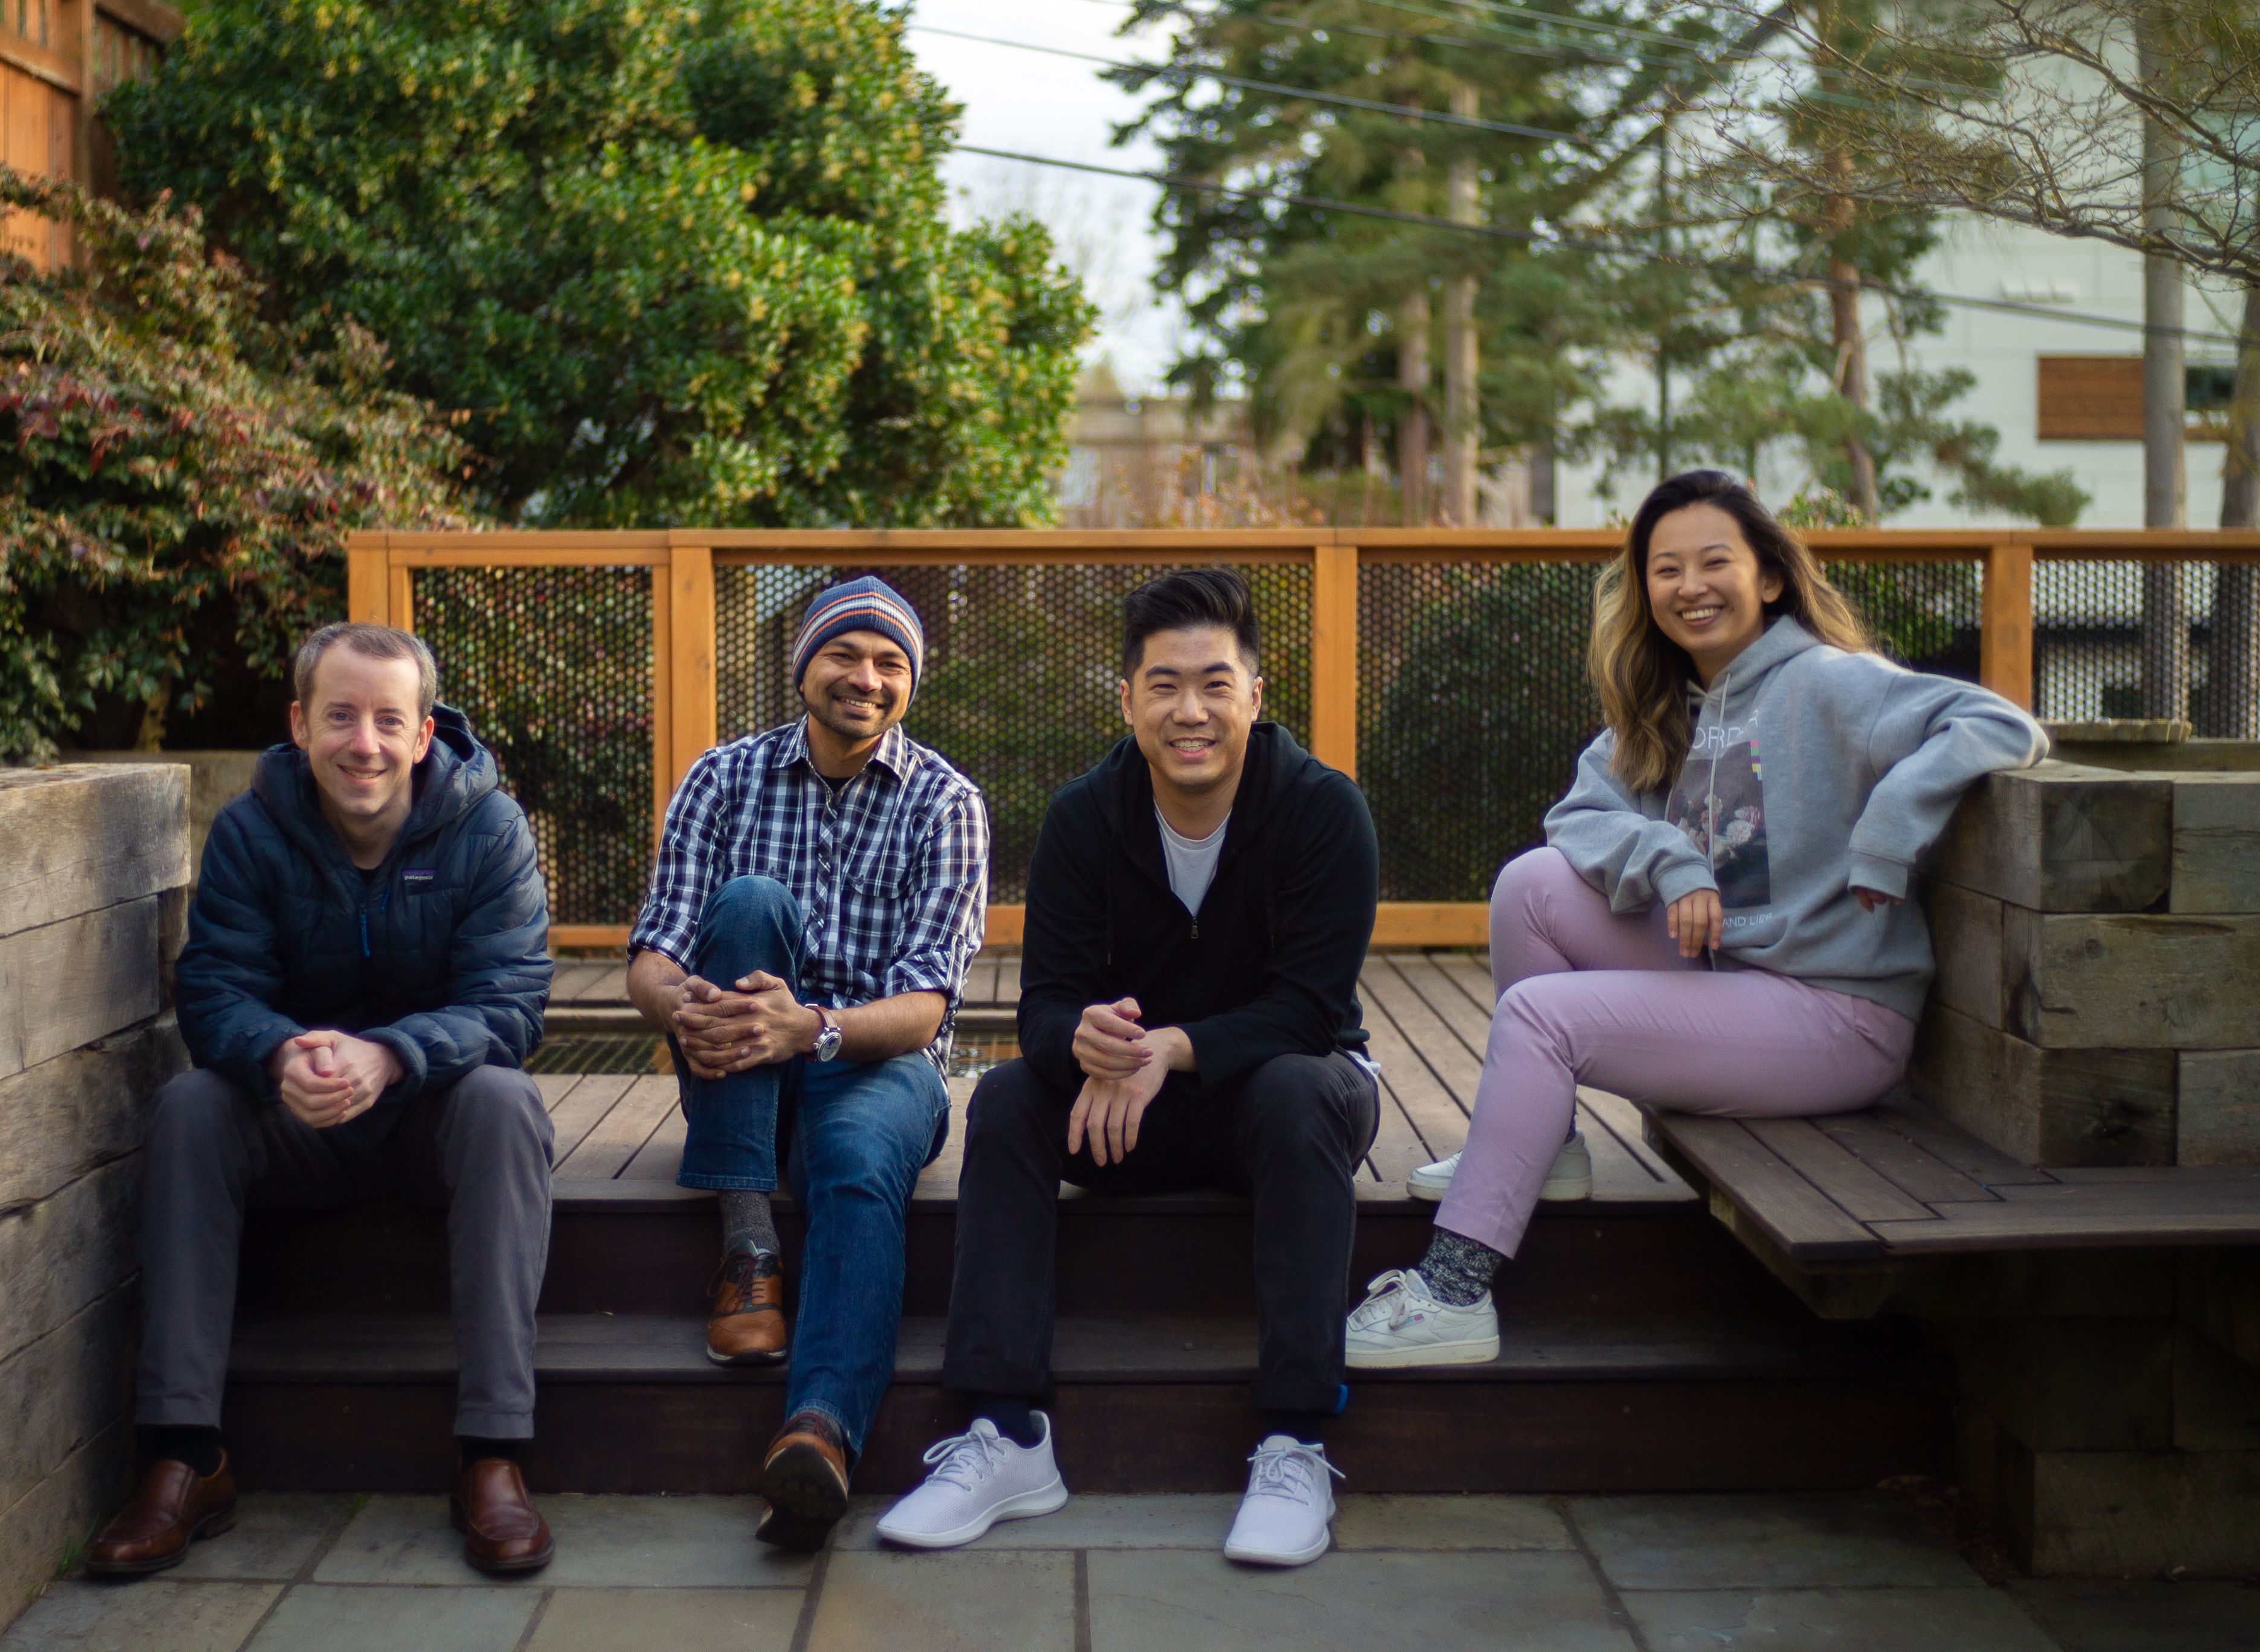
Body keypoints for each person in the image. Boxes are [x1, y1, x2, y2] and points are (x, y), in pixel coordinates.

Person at [1345, 469, 2048, 1369]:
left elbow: (1995, 722)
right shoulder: (1666, 704)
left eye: (1715, 561)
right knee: (1531, 882)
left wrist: (1888, 827)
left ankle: (1453, 1288)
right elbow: (1579, 817)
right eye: (1665, 568)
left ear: (1769, 577)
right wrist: (1669, 860)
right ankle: (1547, 1145)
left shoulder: (1831, 683)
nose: (1690, 586)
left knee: (1541, 1016)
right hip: (1733, 974)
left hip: (1835, 1011)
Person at [884, 569, 1381, 1569]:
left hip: (1286, 1103)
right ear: (1127, 698)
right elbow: (1041, 1009)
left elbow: (1313, 1008)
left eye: (1213, 682)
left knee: (1295, 1085)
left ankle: (1293, 1440)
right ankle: (1008, 1432)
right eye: (1163, 685)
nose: (1188, 711)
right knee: (1016, 1096)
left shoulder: (1324, 810)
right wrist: (1089, 1041)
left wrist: (1173, 1049)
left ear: (1255, 690)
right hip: (1128, 1117)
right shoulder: (1083, 816)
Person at [87, 622, 557, 1577]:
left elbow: (511, 1005)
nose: (365, 743)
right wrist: (274, 1054)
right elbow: (214, 986)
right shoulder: (254, 828)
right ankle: (183, 1456)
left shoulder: (489, 827)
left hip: (433, 1119)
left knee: (508, 1104)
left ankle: (492, 1453)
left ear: (426, 734)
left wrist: (391, 1054)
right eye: (340, 716)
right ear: (300, 724)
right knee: (187, 1110)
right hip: (294, 1122)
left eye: (390, 719)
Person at [626, 574, 989, 1551]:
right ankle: (748, 1245)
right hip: (740, 1055)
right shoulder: (721, 777)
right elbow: (654, 954)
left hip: (874, 1060)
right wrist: (689, 1004)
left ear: (910, 682)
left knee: (863, 1162)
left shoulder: (948, 803)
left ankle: (819, 1431)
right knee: (747, 903)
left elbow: (922, 1009)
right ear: (804, 667)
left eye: (889, 663)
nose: (865, 678)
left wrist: (812, 1028)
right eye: (844, 654)